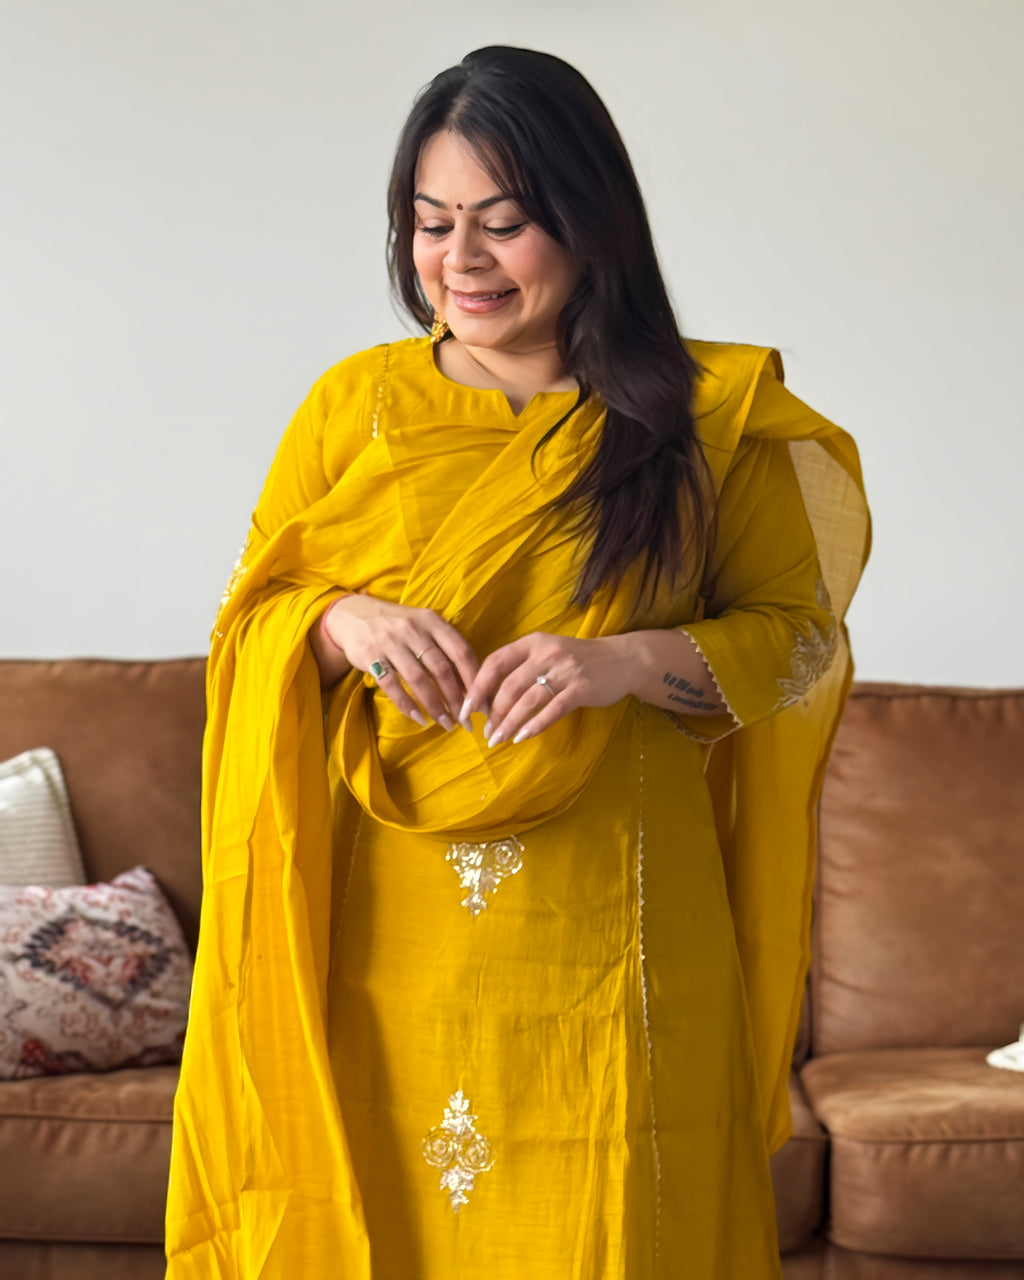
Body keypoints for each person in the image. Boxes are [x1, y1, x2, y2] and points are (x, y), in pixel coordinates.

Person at [165, 45, 869, 1280]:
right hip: (389, 931)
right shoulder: (357, 407)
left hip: (617, 924)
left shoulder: (705, 416)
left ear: (592, 222)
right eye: (431, 223)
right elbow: (249, 619)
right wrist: (339, 622)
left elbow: (798, 639)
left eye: (504, 222)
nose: (461, 260)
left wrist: (626, 661)